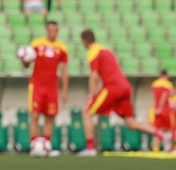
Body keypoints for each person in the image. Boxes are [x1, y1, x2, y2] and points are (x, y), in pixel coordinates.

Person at [79, 30, 158, 155]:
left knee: (86, 113)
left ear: (84, 41)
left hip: (113, 88)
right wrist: (96, 94)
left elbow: (94, 77)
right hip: (125, 87)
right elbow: (103, 77)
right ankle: (162, 134)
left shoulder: (93, 51)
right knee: (130, 122)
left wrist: (90, 96)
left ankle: (90, 148)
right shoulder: (106, 50)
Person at [21, 21, 69, 156]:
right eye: (51, 30)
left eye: (56, 30)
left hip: (52, 87)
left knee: (49, 118)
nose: (53, 32)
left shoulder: (62, 47)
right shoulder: (36, 44)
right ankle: (33, 147)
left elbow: (65, 70)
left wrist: (65, 91)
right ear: (47, 30)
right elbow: (27, 65)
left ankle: (46, 147)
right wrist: (24, 59)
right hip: (37, 85)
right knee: (35, 116)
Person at [149, 71, 175, 152]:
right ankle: (168, 148)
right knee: (169, 129)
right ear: (165, 75)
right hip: (165, 110)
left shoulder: (154, 84)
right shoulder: (168, 84)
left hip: (156, 110)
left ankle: (155, 149)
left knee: (157, 130)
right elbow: (165, 95)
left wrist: (158, 108)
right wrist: (161, 108)